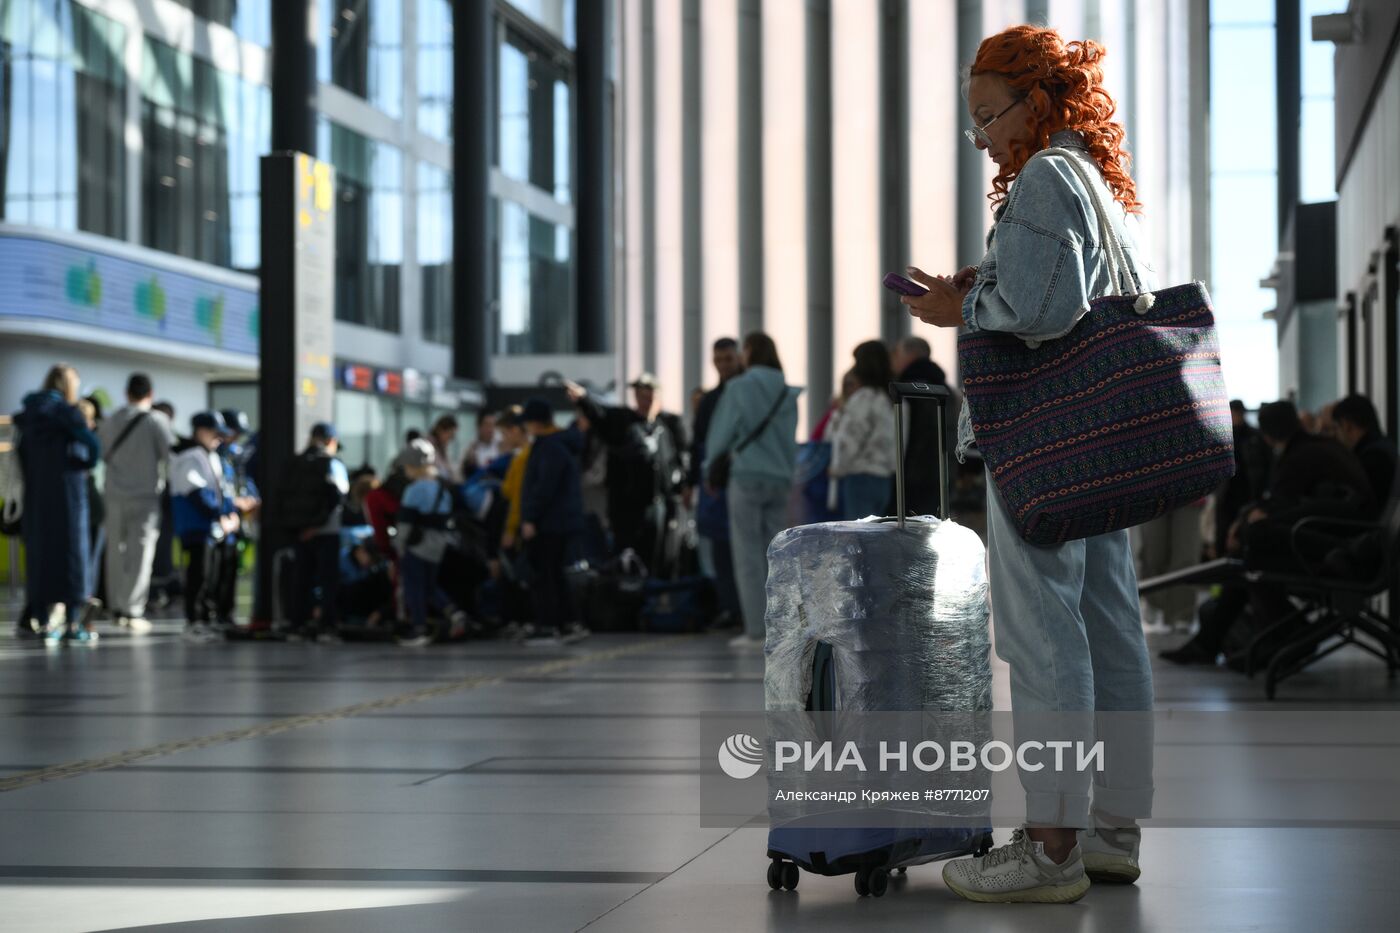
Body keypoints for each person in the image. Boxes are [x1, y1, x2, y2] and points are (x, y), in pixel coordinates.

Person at [902, 26, 1158, 901]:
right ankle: (1109, 832)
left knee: (1043, 635)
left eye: (988, 115)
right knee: (1109, 627)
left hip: (1043, 441)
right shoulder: (1096, 180)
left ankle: (1050, 847)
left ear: (1035, 100)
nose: (981, 137)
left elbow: (1039, 311)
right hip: (1104, 439)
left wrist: (961, 303)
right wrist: (986, 281)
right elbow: (1071, 299)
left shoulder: (1046, 175)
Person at [1161, 400, 1377, 666]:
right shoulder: (1318, 448)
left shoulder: (1299, 456)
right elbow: (1286, 504)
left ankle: (1280, 634)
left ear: (1267, 435)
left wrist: (1247, 525)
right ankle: (1270, 637)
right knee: (1252, 552)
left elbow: (1279, 505)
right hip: (1347, 544)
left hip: (1341, 551)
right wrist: (1251, 520)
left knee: (1253, 549)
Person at [703, 333, 800, 651]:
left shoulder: (738, 387)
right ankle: (781, 628)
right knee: (777, 555)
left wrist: (710, 469)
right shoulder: (786, 392)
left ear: (749, 352)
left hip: (746, 477)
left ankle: (756, 631)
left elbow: (721, 434)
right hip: (780, 478)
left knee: (747, 555)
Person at [15, 365, 101, 644]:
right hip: (68, 491)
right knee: (73, 554)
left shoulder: (29, 414)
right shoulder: (68, 413)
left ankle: (41, 620)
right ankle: (73, 623)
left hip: (37, 492)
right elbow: (93, 445)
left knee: (40, 554)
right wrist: (85, 463)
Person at [568, 374, 688, 572]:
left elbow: (675, 461)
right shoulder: (624, 422)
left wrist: (679, 487)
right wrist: (583, 399)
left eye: (650, 397)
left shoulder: (664, 428)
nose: (646, 402)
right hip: (627, 508)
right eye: (641, 396)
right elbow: (601, 417)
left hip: (656, 505)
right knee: (627, 560)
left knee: (657, 558)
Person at [97, 374, 178, 633]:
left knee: (115, 553)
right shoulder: (157, 420)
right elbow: (170, 455)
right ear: (150, 394)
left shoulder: (111, 420)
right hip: (145, 497)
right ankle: (132, 610)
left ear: (126, 393)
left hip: (113, 495)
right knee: (141, 554)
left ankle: (116, 607)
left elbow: (100, 453)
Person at [518, 398, 590, 644]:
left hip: (550, 522)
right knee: (556, 573)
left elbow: (543, 486)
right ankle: (567, 623)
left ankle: (549, 624)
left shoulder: (550, 447)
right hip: (561, 521)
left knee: (545, 573)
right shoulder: (560, 443)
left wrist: (530, 517)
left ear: (535, 423)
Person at [394, 438, 474, 646]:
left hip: (416, 546)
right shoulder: (442, 489)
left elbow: (405, 524)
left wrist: (399, 546)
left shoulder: (413, 490)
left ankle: (419, 628)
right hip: (438, 546)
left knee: (414, 588)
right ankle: (455, 613)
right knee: (430, 587)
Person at [169, 412, 239, 642]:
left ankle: (206, 619)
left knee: (210, 574)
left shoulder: (208, 455)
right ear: (200, 431)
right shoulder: (189, 456)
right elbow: (196, 492)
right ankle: (195, 621)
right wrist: (220, 515)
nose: (219, 439)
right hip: (196, 527)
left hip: (209, 528)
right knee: (198, 576)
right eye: (215, 433)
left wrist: (228, 513)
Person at [692, 338, 745, 628]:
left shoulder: (746, 393)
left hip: (741, 478)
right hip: (716, 482)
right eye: (718, 360)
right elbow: (698, 442)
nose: (723, 365)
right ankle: (730, 606)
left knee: (746, 546)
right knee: (721, 546)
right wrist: (692, 482)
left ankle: (747, 608)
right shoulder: (710, 400)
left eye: (728, 359)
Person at [281, 422, 350, 642]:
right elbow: (339, 497)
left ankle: (297, 625)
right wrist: (318, 525)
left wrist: (302, 528)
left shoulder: (294, 463)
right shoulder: (332, 463)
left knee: (301, 579)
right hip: (327, 531)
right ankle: (326, 627)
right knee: (328, 581)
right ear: (331, 441)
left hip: (300, 532)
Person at [828, 340, 898, 520]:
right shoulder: (894, 400)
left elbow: (851, 437)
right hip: (885, 478)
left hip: (861, 476)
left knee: (859, 533)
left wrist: (838, 468)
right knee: (876, 531)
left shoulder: (863, 398)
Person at [890, 336, 950, 517]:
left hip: (910, 474)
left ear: (910, 355)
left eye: (897, 354)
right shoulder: (945, 390)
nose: (894, 361)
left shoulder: (904, 390)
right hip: (943, 471)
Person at [1331, 394, 1396, 503]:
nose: (1334, 435)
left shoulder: (1372, 459)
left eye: (1336, 428)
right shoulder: (1385, 447)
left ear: (1346, 425)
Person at [461, 413, 502, 477]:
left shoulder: (501, 446)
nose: (491, 429)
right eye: (487, 425)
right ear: (479, 427)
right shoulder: (471, 449)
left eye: (493, 425)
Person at [428, 415, 461, 484]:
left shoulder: (441, 447)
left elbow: (449, 470)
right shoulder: (428, 446)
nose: (451, 438)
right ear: (440, 430)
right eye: (450, 434)